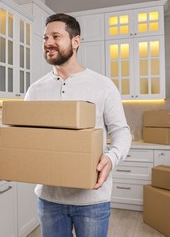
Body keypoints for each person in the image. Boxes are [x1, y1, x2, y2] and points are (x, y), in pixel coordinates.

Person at [24, 13, 132, 237]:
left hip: (92, 199)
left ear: (76, 41)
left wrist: (111, 158)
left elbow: (121, 131)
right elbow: (26, 138)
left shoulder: (102, 85)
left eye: (56, 36)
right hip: (49, 199)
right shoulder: (35, 90)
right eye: (44, 38)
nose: (48, 43)